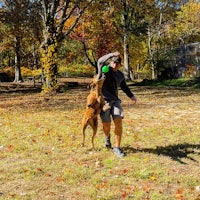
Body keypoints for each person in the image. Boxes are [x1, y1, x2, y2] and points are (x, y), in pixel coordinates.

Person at [97, 51, 137, 158]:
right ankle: (107, 138)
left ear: (120, 65)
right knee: (106, 125)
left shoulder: (120, 75)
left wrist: (131, 96)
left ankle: (117, 147)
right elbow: (100, 61)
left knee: (118, 121)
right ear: (111, 63)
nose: (114, 65)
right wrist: (111, 55)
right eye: (113, 63)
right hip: (104, 102)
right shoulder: (104, 70)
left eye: (117, 63)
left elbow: (124, 87)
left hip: (115, 101)